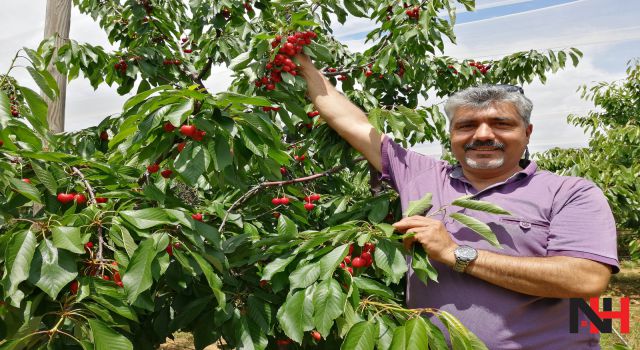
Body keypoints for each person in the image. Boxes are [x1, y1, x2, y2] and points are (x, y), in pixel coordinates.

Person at [296, 54, 620, 349]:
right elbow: (351, 121)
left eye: (501, 124)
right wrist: (304, 64)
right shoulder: (419, 175)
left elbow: (586, 279)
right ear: (451, 135)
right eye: (466, 126)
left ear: (528, 132)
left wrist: (455, 253)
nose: (482, 135)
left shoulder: (571, 192)